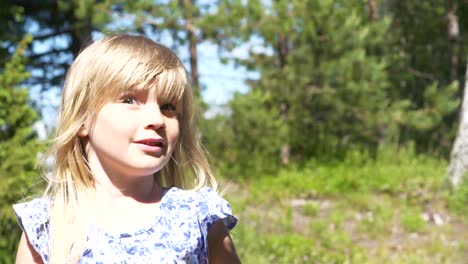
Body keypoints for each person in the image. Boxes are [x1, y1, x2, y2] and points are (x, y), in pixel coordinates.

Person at [13, 34, 240, 263]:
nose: (157, 120)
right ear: (82, 118)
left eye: (168, 106)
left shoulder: (198, 217)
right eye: (130, 100)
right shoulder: (47, 227)